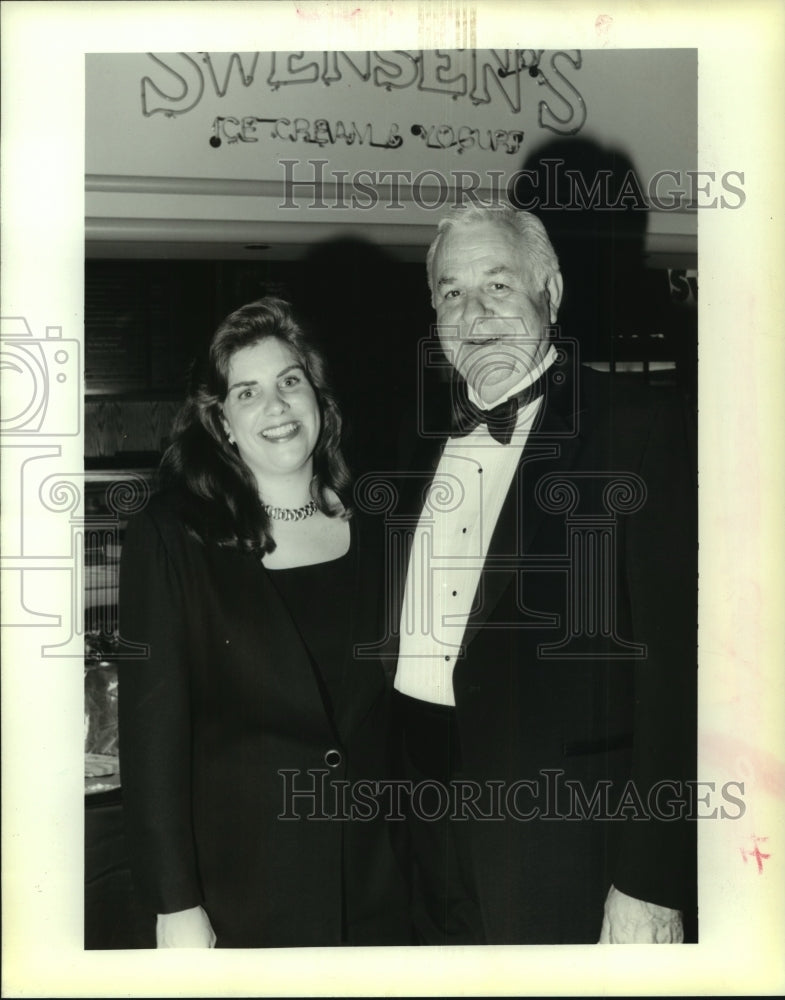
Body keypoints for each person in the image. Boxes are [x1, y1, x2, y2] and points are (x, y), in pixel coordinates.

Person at [389, 204, 697, 944]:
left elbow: (682, 672)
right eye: (451, 292)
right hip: (412, 834)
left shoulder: (637, 427)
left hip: (565, 839)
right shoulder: (405, 434)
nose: (473, 312)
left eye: (497, 286)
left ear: (549, 293)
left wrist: (649, 879)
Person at [118, 297, 409, 948]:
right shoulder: (170, 535)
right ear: (221, 422)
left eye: (289, 381)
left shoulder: (385, 529)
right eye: (247, 392)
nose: (275, 407)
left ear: (318, 397)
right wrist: (176, 906)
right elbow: (151, 741)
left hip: (383, 892)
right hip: (242, 898)